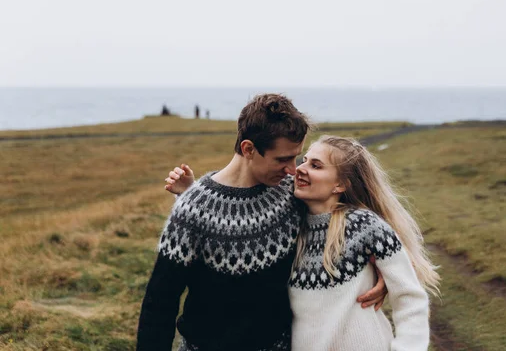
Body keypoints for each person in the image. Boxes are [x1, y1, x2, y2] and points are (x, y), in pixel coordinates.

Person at [137, 94, 386, 351]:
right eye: (282, 159)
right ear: (248, 149)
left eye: (296, 157)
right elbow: (160, 303)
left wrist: (386, 271)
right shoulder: (192, 211)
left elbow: (363, 224)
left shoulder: (294, 194)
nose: (293, 169)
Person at [164, 135, 439, 350]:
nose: (299, 170)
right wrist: (190, 194)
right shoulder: (291, 222)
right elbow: (234, 230)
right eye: (304, 160)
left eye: (315, 166)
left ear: (340, 185)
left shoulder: (365, 227)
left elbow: (411, 299)